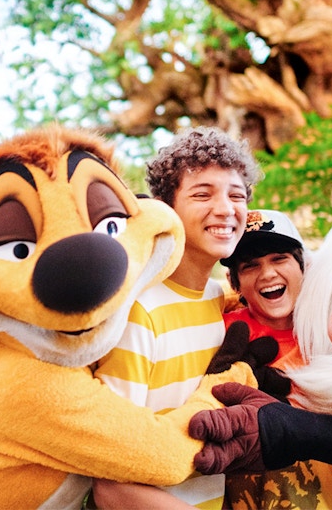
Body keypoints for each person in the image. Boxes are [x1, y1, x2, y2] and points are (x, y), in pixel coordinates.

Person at [91, 126, 261, 509]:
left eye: (237, 196)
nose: (225, 209)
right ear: (166, 210)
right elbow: (109, 478)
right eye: (202, 194)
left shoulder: (223, 303)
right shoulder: (138, 311)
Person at [219, 209, 332, 510]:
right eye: (250, 266)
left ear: (304, 265)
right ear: (234, 282)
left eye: (279, 258)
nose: (267, 274)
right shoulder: (218, 332)